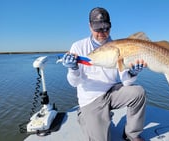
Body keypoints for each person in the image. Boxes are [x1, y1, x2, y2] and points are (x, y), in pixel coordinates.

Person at [62, 7, 146, 141]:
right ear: (90, 26)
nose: (102, 32)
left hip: (112, 92)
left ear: (110, 26)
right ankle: (83, 115)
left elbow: (126, 82)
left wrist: (132, 72)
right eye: (98, 28)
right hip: (91, 99)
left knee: (138, 92)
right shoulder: (78, 47)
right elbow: (74, 83)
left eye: (106, 28)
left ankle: (132, 133)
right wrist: (73, 69)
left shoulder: (118, 46)